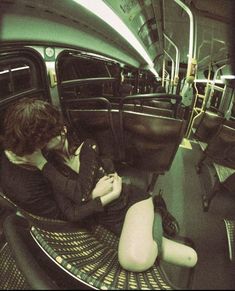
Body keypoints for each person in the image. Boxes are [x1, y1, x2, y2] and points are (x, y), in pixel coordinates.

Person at [0, 97, 197, 272]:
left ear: (63, 131)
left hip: (132, 202)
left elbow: (80, 194)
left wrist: (92, 196)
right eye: (41, 146)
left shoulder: (87, 148)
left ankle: (155, 212)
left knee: (134, 260)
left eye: (49, 139)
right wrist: (103, 197)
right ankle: (155, 224)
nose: (45, 147)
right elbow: (73, 209)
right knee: (189, 258)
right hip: (108, 217)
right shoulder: (53, 169)